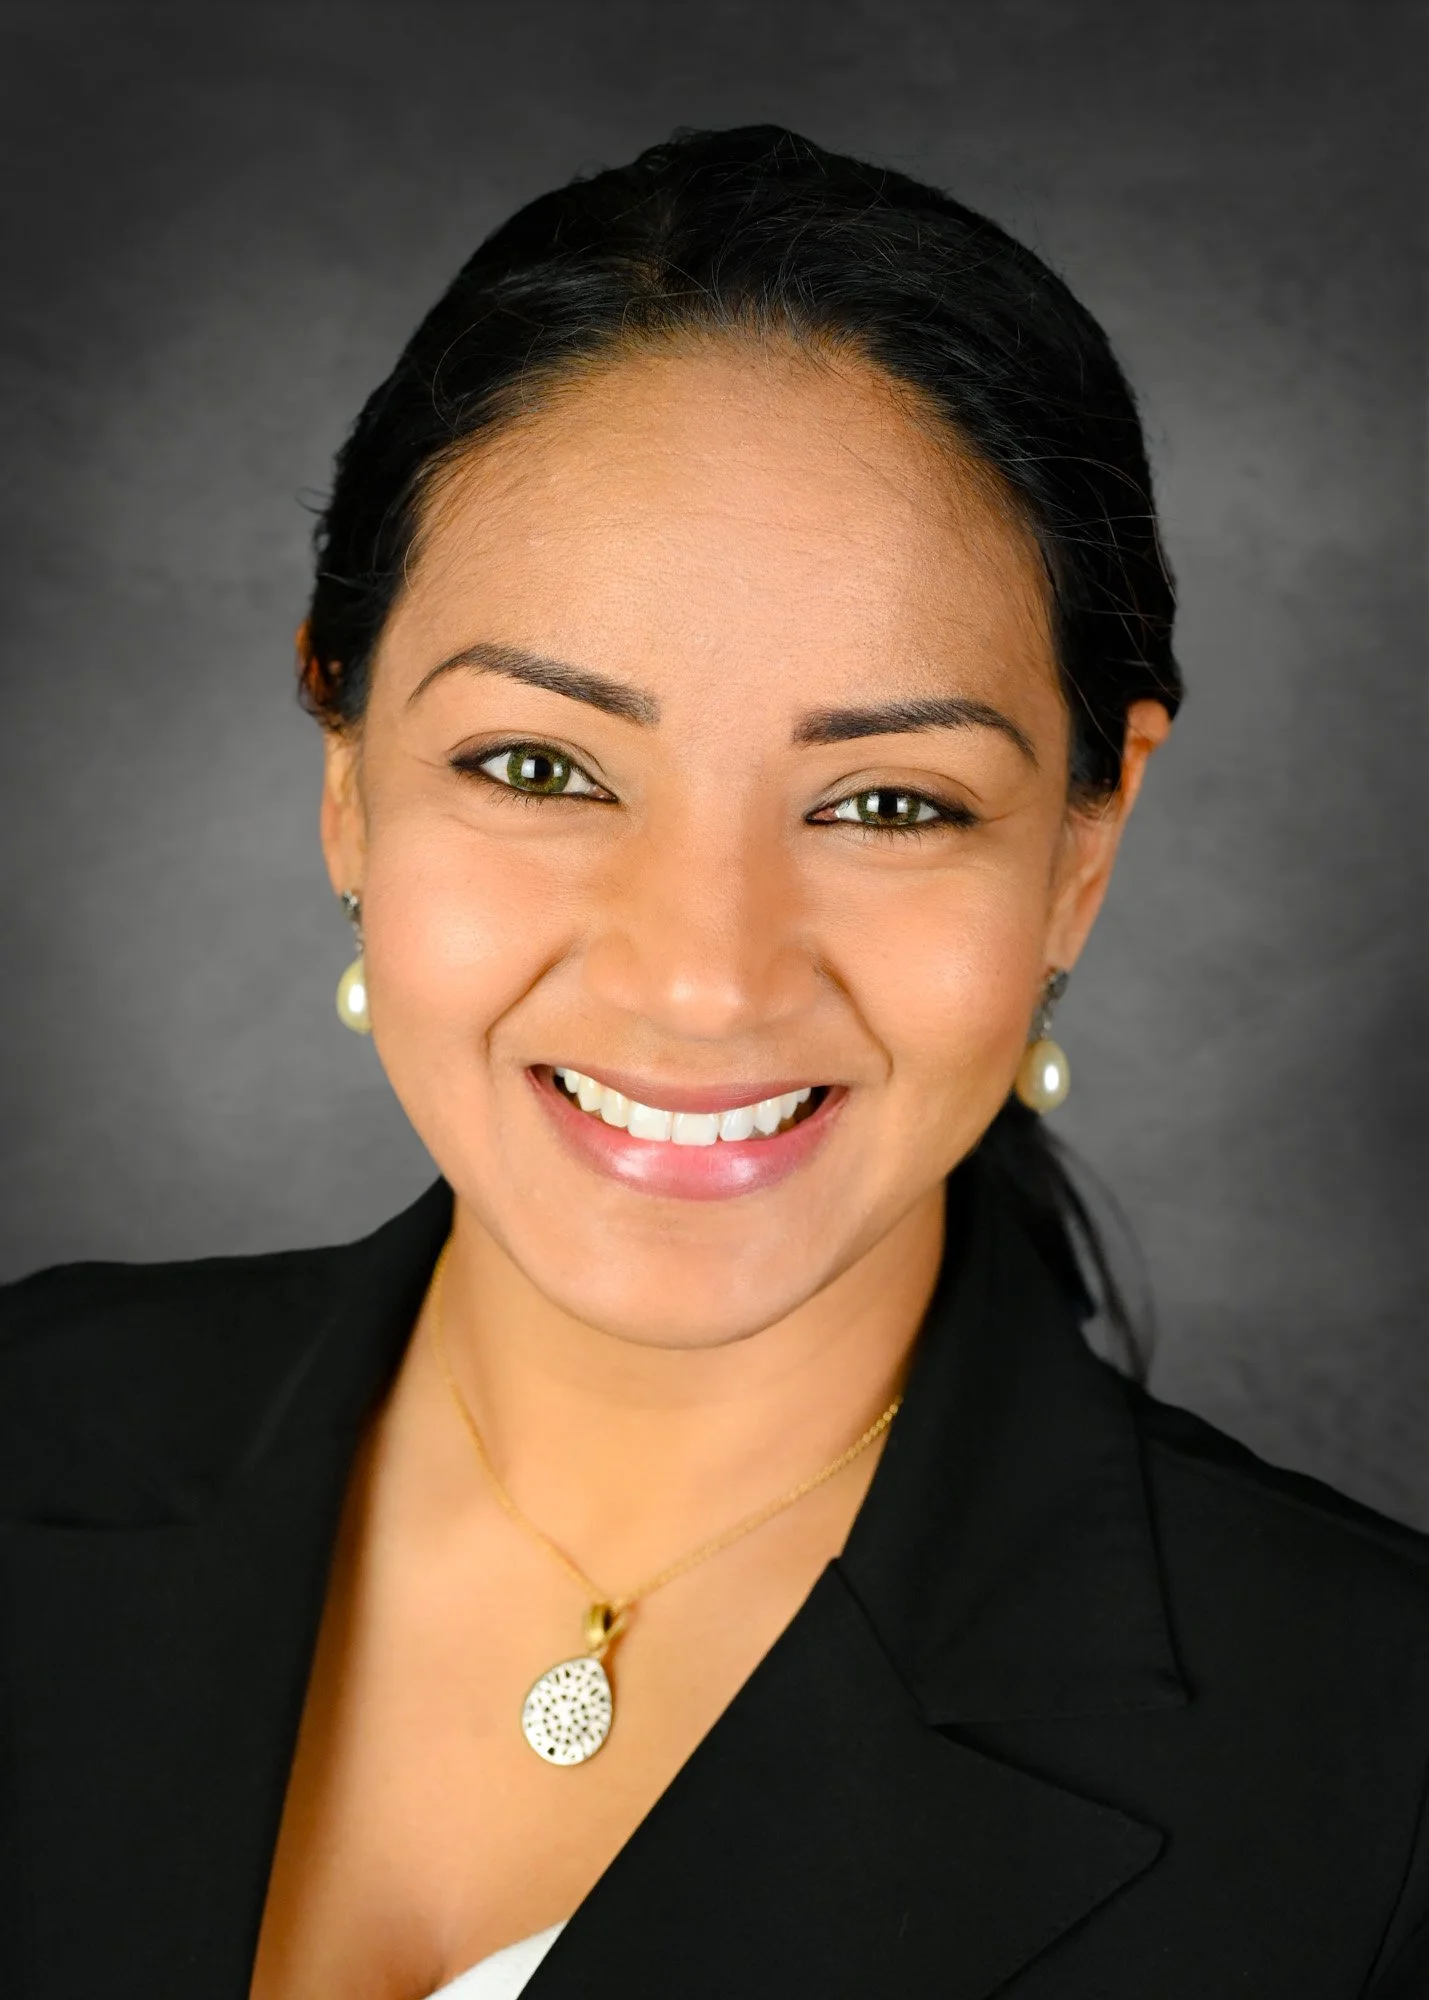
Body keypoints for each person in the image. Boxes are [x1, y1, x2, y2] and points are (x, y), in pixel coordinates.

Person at [1, 124, 1425, 2000]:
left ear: (1085, 844)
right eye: (536, 766)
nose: (700, 979)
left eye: (892, 801)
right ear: (346, 775)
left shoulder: (1377, 1774)